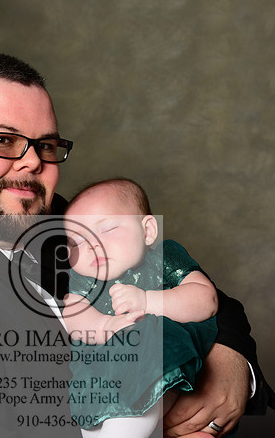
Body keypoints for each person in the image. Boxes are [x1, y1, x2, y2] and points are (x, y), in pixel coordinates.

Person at [0, 53, 275, 437]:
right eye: (3, 140)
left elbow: (197, 290)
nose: (31, 163)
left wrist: (229, 368)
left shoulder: (53, 219)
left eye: (45, 145)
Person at [62, 178, 221, 437]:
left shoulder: (162, 259)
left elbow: (206, 300)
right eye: (76, 241)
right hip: (101, 377)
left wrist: (147, 301)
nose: (91, 246)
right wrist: (104, 325)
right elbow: (70, 312)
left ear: (147, 230)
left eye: (107, 229)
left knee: (136, 415)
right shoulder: (82, 280)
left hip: (163, 371)